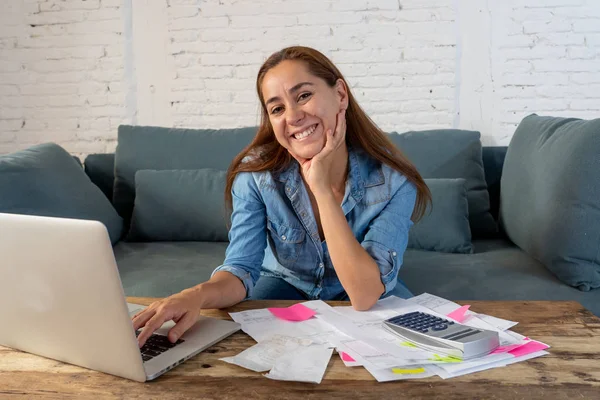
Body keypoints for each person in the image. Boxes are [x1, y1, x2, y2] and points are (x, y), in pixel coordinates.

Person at [133, 46, 431, 348]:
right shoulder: (256, 177)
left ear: (340, 94)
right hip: (284, 284)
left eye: (303, 96)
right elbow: (240, 269)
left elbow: (365, 295)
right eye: (277, 109)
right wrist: (193, 295)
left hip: (362, 288)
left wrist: (322, 190)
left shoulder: (394, 181)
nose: (294, 116)